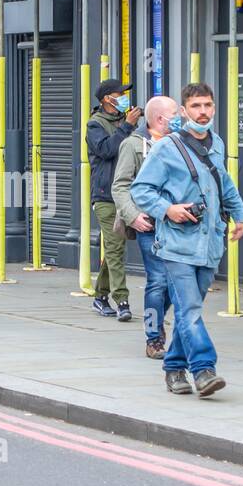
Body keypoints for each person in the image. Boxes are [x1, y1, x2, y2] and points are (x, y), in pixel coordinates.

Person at [130, 83, 243, 397]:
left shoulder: (217, 144)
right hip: (177, 245)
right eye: (196, 106)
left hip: (209, 244)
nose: (203, 112)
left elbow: (225, 183)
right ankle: (204, 369)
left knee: (187, 310)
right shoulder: (166, 147)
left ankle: (173, 368)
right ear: (184, 111)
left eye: (208, 105)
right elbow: (140, 190)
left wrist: (241, 215)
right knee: (190, 309)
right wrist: (168, 209)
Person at [112, 95, 178, 359]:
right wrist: (133, 217)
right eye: (175, 113)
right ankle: (154, 337)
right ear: (160, 118)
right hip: (149, 224)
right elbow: (120, 185)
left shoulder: (180, 143)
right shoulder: (133, 145)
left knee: (177, 283)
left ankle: (157, 319)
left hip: (178, 224)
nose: (181, 117)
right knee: (158, 281)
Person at [88, 78, 143, 320]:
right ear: (106, 99)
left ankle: (100, 296)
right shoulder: (95, 124)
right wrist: (127, 127)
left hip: (127, 195)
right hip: (105, 196)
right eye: (119, 94)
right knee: (115, 248)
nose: (123, 98)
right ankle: (122, 301)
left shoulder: (124, 122)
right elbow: (107, 150)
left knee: (115, 248)